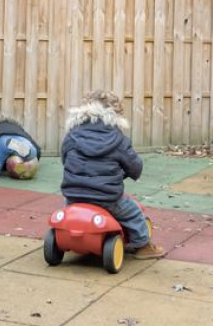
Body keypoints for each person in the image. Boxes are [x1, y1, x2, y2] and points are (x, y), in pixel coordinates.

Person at [59, 90, 166, 259]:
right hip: (107, 198)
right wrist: (131, 173)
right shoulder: (119, 140)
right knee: (133, 213)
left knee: (66, 211)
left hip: (74, 196)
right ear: (115, 114)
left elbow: (65, 158)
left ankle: (62, 235)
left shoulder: (72, 136)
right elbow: (135, 166)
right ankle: (142, 245)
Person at [0, 114, 41, 179]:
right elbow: (37, 149)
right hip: (16, 137)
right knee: (33, 152)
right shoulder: (18, 129)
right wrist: (35, 155)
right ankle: (26, 151)